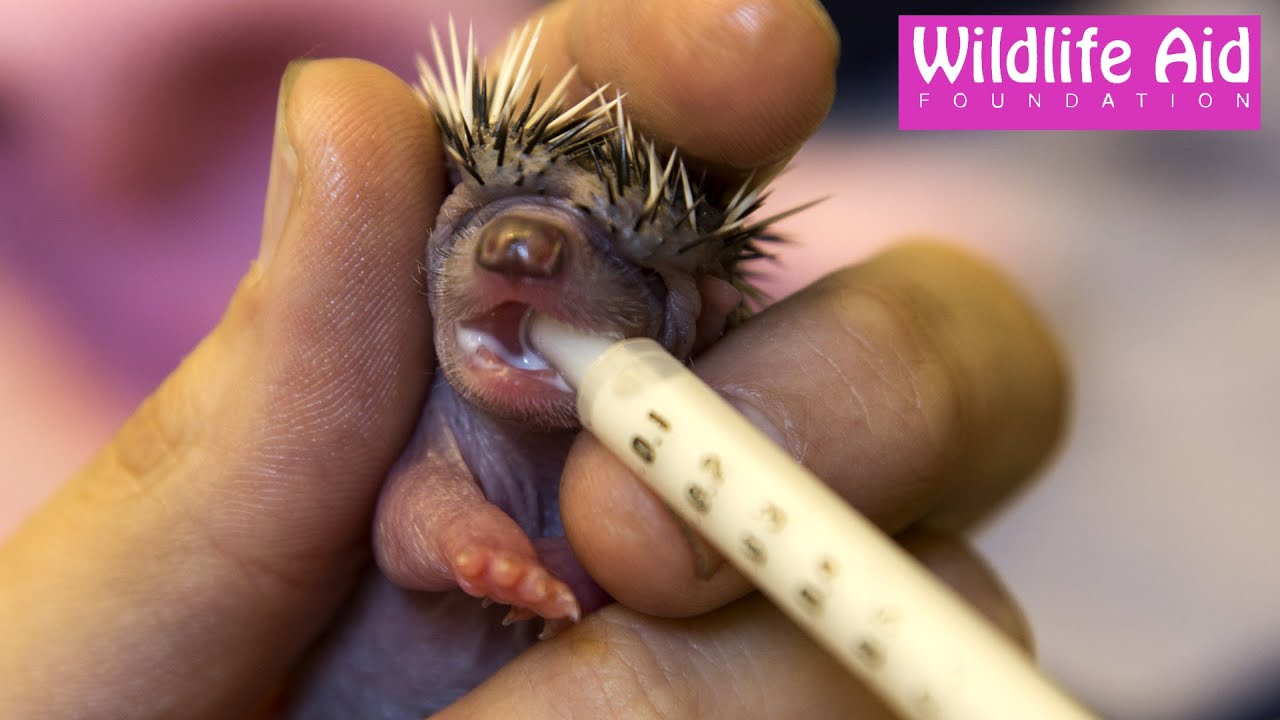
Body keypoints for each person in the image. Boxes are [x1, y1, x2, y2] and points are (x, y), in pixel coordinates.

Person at [0, 0, 1065, 717]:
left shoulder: (652, 432)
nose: (522, 255)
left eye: (595, 256)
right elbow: (415, 527)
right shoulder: (404, 419)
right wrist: (482, 547)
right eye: (494, 225)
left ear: (676, 325)